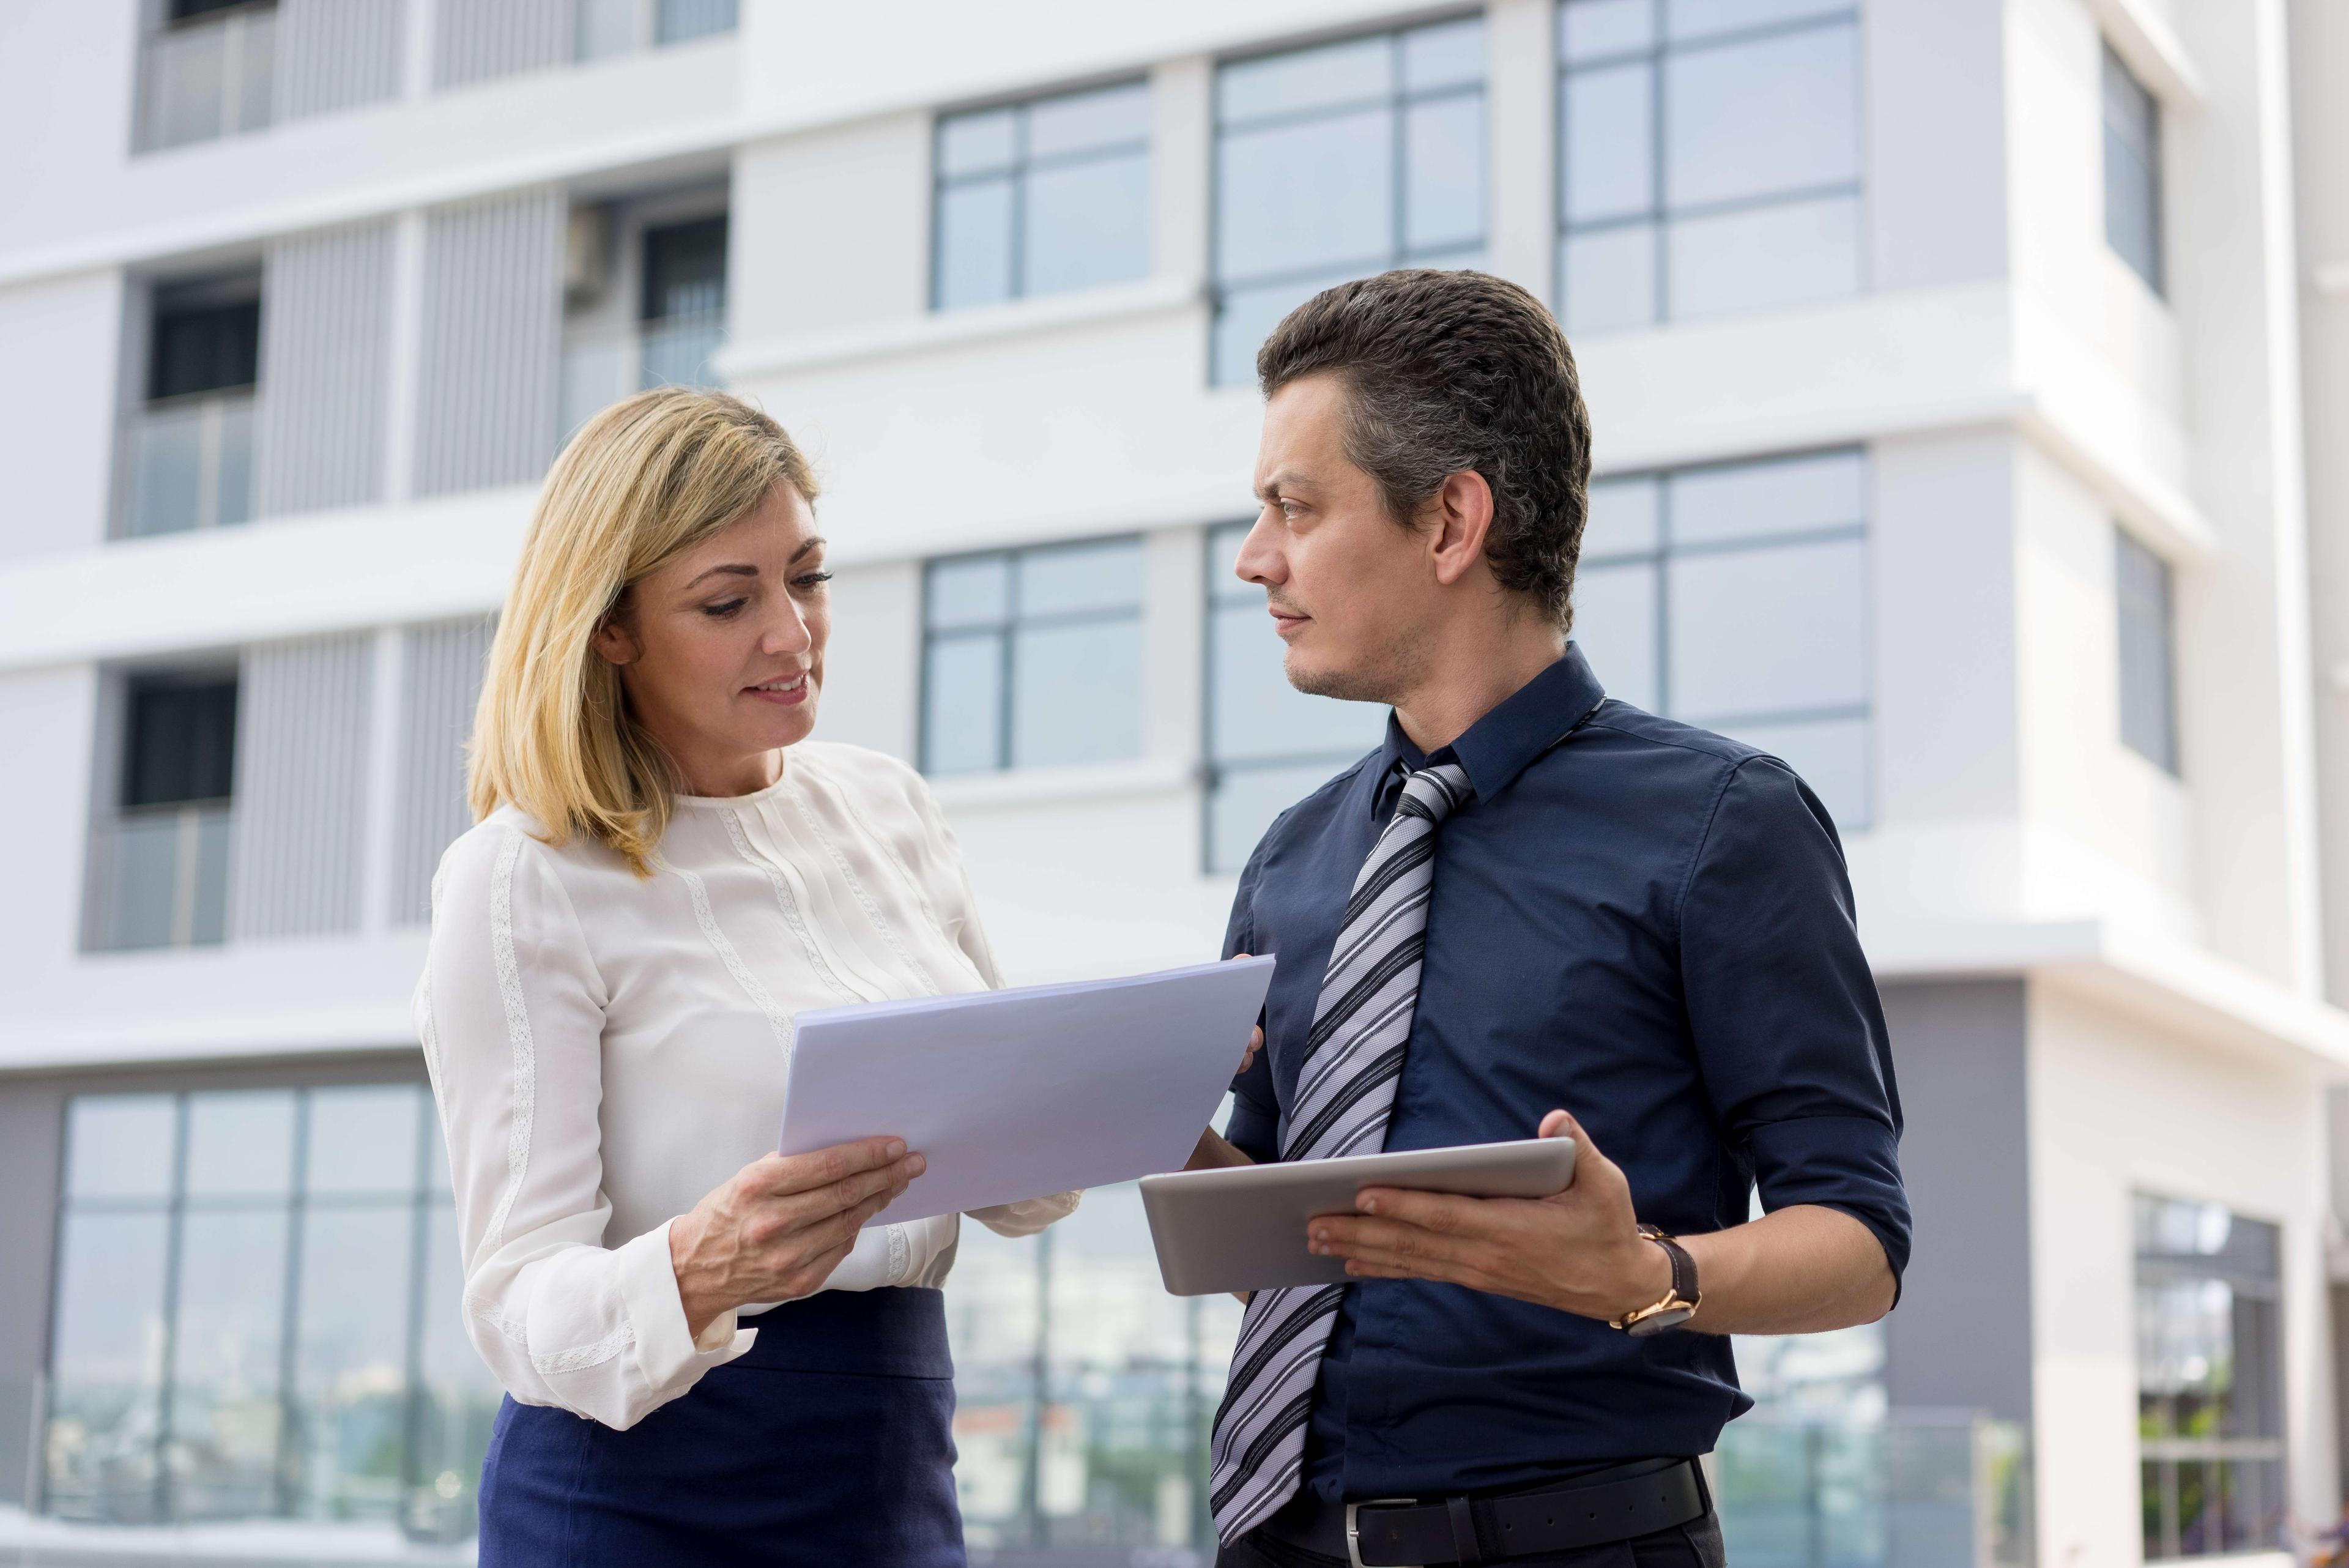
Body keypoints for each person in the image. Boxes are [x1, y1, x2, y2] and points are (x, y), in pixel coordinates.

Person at [1189, 270, 1911, 1568]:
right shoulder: (1292, 859)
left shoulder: (1723, 823)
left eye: (1295, 508)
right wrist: (1124, 1123)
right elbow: (1287, 1250)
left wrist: (1646, 1275)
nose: (1257, 559)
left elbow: (1859, 1243)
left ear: (1452, 520)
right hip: (1278, 1538)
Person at [415, 387, 1077, 1566]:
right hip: (638, 1499)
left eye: (808, 578)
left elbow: (1021, 1195)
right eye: (729, 600)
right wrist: (698, 1265)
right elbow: (516, 1307)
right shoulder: (522, 879)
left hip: (890, 1469)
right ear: (608, 628)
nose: (792, 632)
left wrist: (1127, 1077)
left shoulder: (889, 807)